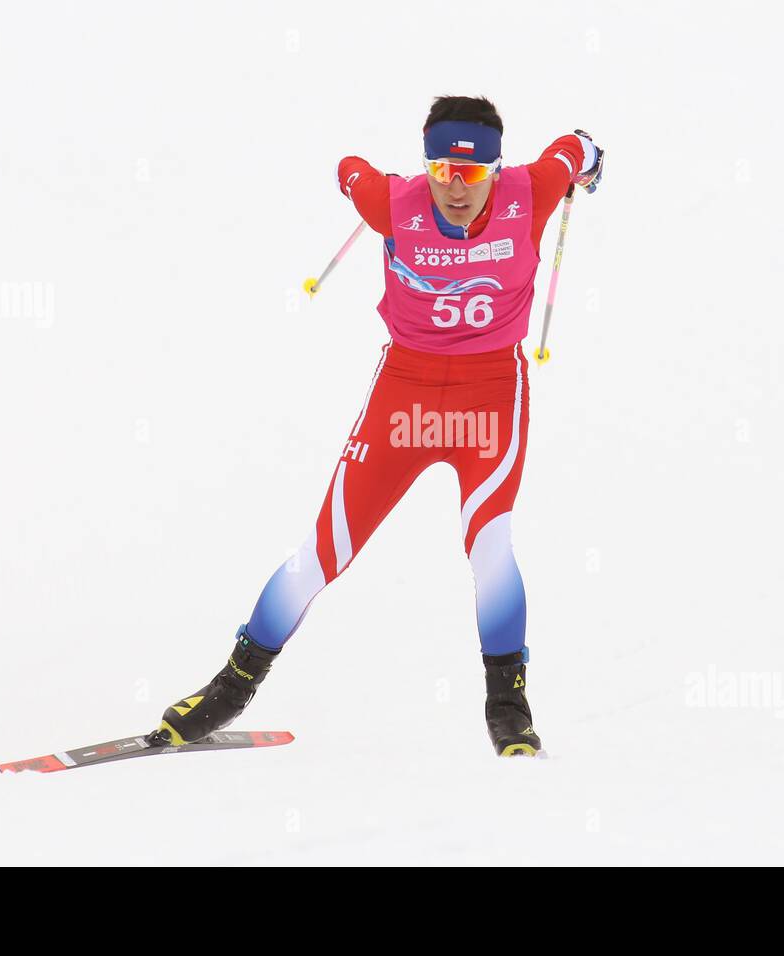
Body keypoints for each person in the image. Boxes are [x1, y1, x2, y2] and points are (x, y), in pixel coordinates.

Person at [150, 95, 604, 756]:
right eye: (443, 170)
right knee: (321, 553)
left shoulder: (531, 190)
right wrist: (355, 177)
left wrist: (591, 162)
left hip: (489, 398)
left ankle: (507, 700)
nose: (455, 188)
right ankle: (233, 684)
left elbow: (576, 148)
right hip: (406, 399)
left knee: (491, 548)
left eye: (472, 175)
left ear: (496, 171)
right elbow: (350, 168)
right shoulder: (392, 203)